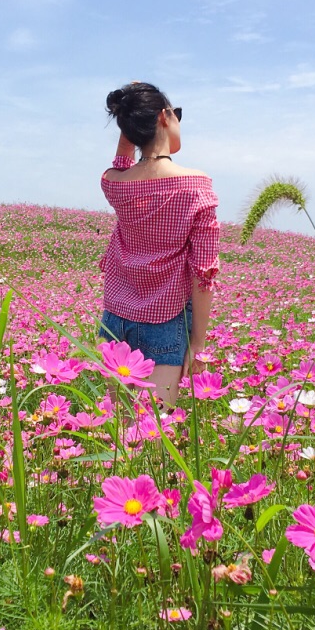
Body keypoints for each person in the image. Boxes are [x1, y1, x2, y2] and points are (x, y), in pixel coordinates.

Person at [97, 81, 221, 409]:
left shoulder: (114, 185)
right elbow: (204, 275)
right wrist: (198, 344)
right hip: (165, 323)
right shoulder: (197, 186)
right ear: (164, 117)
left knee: (122, 432)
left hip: (115, 318)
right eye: (176, 113)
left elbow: (121, 164)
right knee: (155, 436)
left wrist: (129, 125)